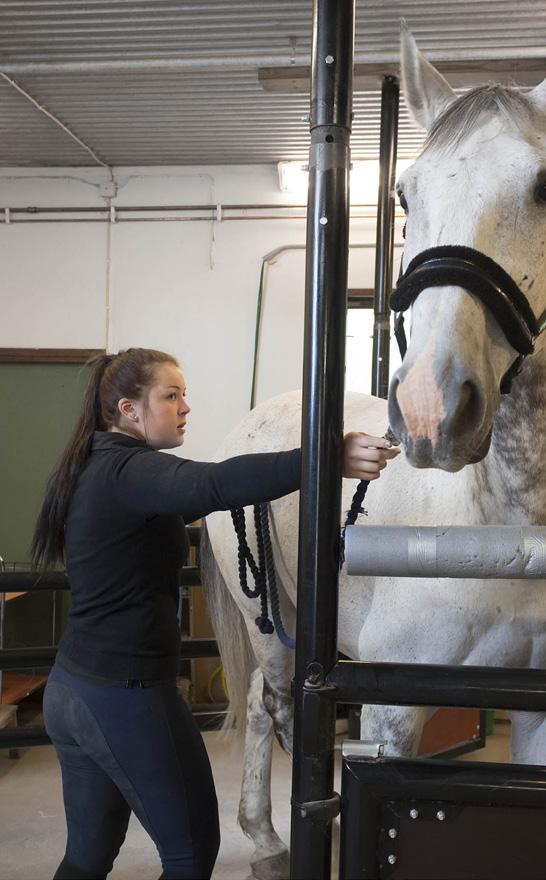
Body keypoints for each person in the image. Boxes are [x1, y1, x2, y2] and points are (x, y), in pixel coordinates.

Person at [32, 347, 399, 880]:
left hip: (74, 691)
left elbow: (200, 498)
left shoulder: (97, 467)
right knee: (190, 853)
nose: (185, 407)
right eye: (171, 395)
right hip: (124, 695)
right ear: (128, 409)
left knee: (87, 857)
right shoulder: (130, 470)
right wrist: (327, 456)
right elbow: (213, 483)